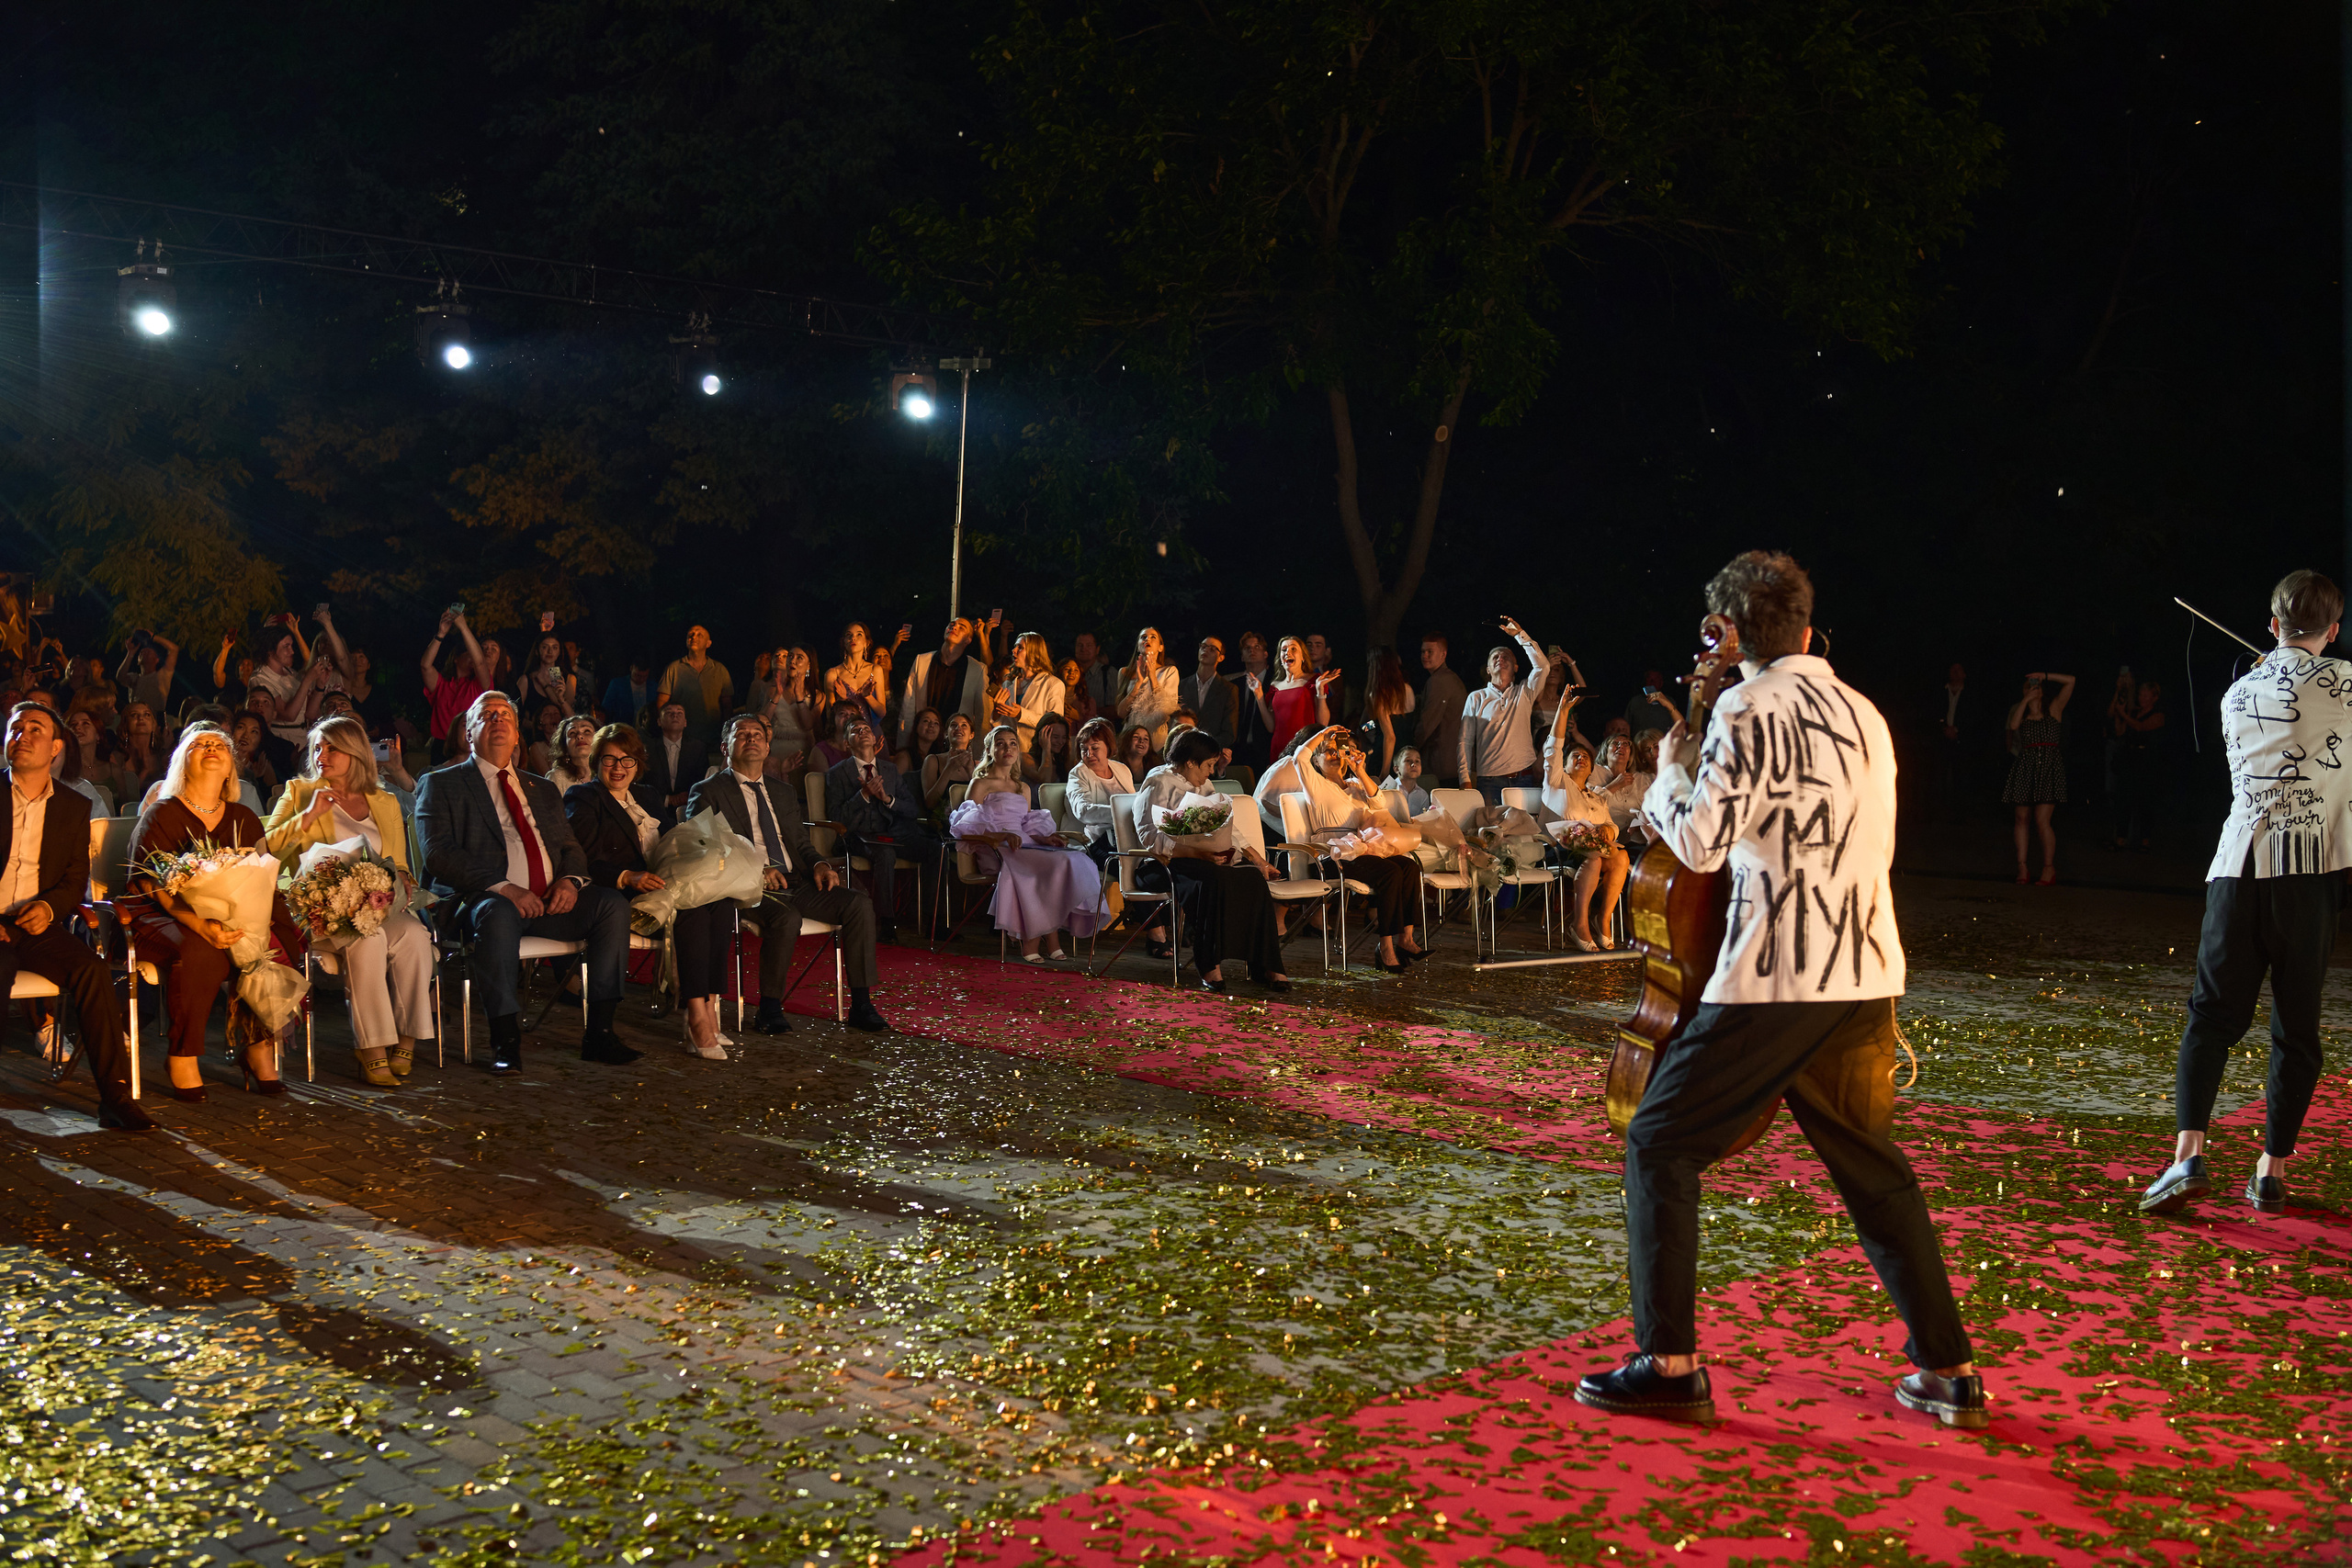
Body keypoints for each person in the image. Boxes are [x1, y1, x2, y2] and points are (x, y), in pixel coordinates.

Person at [1579, 549, 1980, 1431]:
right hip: (1866, 968)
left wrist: (1674, 773)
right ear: (1804, 622)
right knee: (1873, 1172)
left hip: (1775, 973)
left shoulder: (1744, 705)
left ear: (1729, 631)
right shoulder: (1864, 711)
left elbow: (1701, 846)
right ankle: (1948, 1369)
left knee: (1657, 1140)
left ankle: (1669, 1362)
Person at [2142, 570, 2352, 1219]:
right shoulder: (2347, 684)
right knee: (2297, 1028)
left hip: (2236, 871)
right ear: (2334, 628)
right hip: (2307, 878)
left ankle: (2187, 1155)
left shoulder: (2237, 692)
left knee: (2210, 1018)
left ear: (2271, 624)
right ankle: (2270, 1171)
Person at [415, 692, 640, 1075]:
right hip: (483, 902)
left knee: (610, 905)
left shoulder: (543, 789)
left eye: (506, 715)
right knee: (498, 914)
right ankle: (506, 1040)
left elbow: (571, 848)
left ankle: (600, 1032)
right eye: (487, 715)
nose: (498, 719)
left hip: (549, 903)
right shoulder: (442, 783)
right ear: (468, 733)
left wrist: (570, 882)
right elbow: (438, 853)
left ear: (518, 735)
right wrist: (505, 887)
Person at [128, 723, 308, 1100]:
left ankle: (257, 1049)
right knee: (203, 951)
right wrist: (199, 923)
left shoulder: (243, 817)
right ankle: (182, 1054)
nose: (211, 748)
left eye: (219, 746)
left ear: (230, 766)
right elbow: (151, 883)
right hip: (161, 917)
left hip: (233, 916)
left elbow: (259, 876)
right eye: (200, 745)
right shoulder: (161, 813)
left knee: (264, 941)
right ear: (182, 762)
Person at [0, 702, 151, 1129]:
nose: (23, 736)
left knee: (93, 971)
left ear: (56, 749)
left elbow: (73, 879)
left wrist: (47, 907)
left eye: (35, 730)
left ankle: (115, 1098)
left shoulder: (71, 805)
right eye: (16, 728)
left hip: (36, 922)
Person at [689, 715, 890, 1033]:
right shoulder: (707, 791)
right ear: (726, 747)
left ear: (768, 747)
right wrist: (757, 868)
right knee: (786, 917)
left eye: (758, 735)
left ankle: (862, 1004)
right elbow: (704, 844)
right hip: (747, 884)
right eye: (742, 735)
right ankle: (769, 1007)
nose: (752, 739)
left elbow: (799, 842)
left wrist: (820, 864)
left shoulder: (781, 791)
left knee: (858, 904)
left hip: (796, 880)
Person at [264, 716, 436, 1088]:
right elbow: (264, 848)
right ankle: (372, 1048)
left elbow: (400, 861)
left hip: (377, 902)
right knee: (367, 939)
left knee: (415, 938)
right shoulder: (298, 792)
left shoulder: (384, 800)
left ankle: (407, 1038)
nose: (321, 754)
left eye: (331, 747)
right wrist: (308, 818)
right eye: (317, 748)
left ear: (354, 752)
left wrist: (402, 876)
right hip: (326, 907)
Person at [564, 723, 738, 1060]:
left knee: (719, 901)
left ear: (638, 763)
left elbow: (674, 841)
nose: (618, 768)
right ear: (597, 762)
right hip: (620, 892)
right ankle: (696, 1017)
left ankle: (709, 1004)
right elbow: (582, 859)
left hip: (663, 883)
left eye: (626, 760)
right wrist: (627, 876)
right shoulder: (584, 797)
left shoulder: (646, 796)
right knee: (689, 910)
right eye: (609, 760)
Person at [1132, 728, 1290, 992]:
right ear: (1191, 762)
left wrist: (1259, 861)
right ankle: (1209, 964)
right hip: (1166, 864)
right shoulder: (1158, 782)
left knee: (1252, 878)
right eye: (1208, 765)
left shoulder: (1203, 784)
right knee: (1213, 880)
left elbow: (1228, 827)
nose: (1211, 772)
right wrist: (1197, 852)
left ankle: (1267, 964)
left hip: (1203, 859)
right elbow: (1149, 836)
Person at [1265, 725, 1427, 971]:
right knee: (1390, 872)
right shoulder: (1316, 785)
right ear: (1317, 761)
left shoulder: (1355, 785)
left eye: (1335, 750)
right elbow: (1299, 757)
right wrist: (1324, 733)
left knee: (1409, 867)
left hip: (1361, 852)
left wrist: (1360, 771)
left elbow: (1379, 802)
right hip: (1332, 857)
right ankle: (1385, 947)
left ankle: (1405, 938)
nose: (1333, 754)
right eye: (1326, 751)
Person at [950, 724, 1105, 962]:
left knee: (1072, 858)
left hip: (1024, 844)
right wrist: (999, 836)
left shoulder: (1021, 787)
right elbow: (966, 828)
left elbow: (1024, 825)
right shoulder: (980, 784)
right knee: (1040, 869)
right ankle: (1037, 938)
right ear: (990, 750)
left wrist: (1043, 837)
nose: (1007, 748)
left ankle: (1049, 934)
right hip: (997, 848)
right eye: (1000, 743)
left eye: (1013, 743)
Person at [825, 717, 943, 942]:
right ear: (846, 743)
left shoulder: (889, 769)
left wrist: (888, 799)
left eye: (866, 729)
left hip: (894, 833)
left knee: (935, 850)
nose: (862, 732)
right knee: (885, 854)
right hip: (858, 836)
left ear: (874, 737)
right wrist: (864, 795)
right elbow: (837, 818)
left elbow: (911, 808)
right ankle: (886, 924)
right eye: (855, 730)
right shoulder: (837, 773)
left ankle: (934, 922)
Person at [1544, 738, 1625, 953]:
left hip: (1591, 848)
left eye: (1586, 757)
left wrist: (1610, 830)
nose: (1582, 759)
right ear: (1565, 767)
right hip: (1559, 849)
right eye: (1576, 756)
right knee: (1594, 858)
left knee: (1622, 858)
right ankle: (1579, 924)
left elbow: (1610, 824)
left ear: (1591, 770)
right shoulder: (1558, 785)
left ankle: (1603, 918)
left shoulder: (1595, 796)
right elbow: (1552, 750)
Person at [1459, 616, 1548, 804]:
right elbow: (1465, 741)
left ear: (1516, 667)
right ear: (1489, 669)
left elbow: (1543, 666)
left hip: (1523, 776)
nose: (1501, 658)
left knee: (1525, 830)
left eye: (1506, 656)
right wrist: (1464, 778)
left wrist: (1519, 635)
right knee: (1490, 831)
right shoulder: (1476, 697)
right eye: (1495, 657)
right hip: (1489, 780)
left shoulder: (1525, 691)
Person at [2001, 669, 2076, 885]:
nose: (2034, 689)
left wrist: (2045, 676)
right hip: (2026, 767)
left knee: (2042, 820)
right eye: (2029, 686)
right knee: (2021, 818)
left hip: (2048, 768)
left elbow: (2071, 680)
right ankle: (2022, 867)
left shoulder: (2054, 710)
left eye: (2036, 686)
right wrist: (2026, 699)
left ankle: (2048, 868)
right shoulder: (2021, 712)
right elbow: (2014, 726)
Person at [895, 618, 989, 752]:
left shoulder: (977, 669)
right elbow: (908, 707)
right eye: (952, 624)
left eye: (961, 627)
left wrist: (978, 755)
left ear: (968, 640)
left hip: (957, 746)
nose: (954, 627)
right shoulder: (922, 661)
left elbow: (982, 718)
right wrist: (903, 748)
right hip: (923, 745)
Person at [420, 609, 495, 757]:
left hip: (470, 746)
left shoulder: (478, 686)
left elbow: (480, 663)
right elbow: (425, 666)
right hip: (442, 747)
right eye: (469, 655)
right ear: (456, 658)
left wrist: (463, 627)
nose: (473, 659)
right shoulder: (442, 685)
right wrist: (441, 634)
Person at [1246, 637, 1334, 761]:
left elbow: (1323, 723)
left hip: (1306, 748)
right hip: (1279, 750)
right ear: (1280, 658)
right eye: (1284, 649)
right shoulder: (1274, 686)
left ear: (1303, 657)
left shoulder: (1313, 681)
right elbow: (1271, 727)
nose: (1288, 652)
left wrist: (1320, 690)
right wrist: (1259, 695)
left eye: (1293, 649)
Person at [1065, 716, 1134, 870]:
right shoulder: (1077, 773)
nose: (1089, 754)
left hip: (1128, 838)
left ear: (1108, 747)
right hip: (1098, 843)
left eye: (1094, 748)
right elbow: (1083, 811)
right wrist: (1122, 814)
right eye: (1084, 749)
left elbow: (1133, 802)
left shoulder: (1122, 769)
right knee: (1136, 868)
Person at [2109, 678, 2166, 850]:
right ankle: (2121, 838)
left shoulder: (2158, 715)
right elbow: (2119, 729)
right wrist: (2119, 698)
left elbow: (2141, 727)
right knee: (2123, 799)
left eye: (2146, 694)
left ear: (2154, 697)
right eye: (2141, 694)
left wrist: (2124, 715)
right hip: (2129, 759)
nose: (2142, 697)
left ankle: (2145, 840)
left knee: (2145, 802)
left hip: (2147, 762)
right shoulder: (2133, 712)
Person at [656, 626, 733, 748]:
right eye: (690, 634)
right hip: (681, 738)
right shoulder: (674, 668)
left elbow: (727, 706)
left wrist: (725, 734)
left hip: (712, 738)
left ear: (708, 644)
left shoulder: (719, 670)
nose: (694, 637)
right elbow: (662, 703)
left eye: (699, 635)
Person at [748, 646, 818, 770]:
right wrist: (777, 696)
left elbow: (808, 725)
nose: (792, 661)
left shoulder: (816, 695)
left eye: (799, 658)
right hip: (777, 749)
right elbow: (762, 721)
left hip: (803, 751)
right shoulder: (772, 690)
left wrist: (800, 698)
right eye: (790, 656)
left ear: (808, 666)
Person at [1114, 627, 1182, 750]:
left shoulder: (1169, 671)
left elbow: (1167, 710)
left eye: (1153, 637)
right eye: (1143, 637)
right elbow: (1121, 713)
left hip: (1155, 740)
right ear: (1138, 645)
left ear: (1160, 647)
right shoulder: (1124, 672)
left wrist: (1152, 677)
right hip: (1129, 738)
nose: (1147, 639)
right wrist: (1138, 683)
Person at [641, 699, 707, 824]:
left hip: (690, 811)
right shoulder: (647, 749)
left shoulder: (698, 748)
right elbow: (642, 784)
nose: (675, 715)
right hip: (654, 813)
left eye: (679, 713)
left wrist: (689, 797)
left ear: (685, 722)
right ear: (659, 722)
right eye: (669, 713)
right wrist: (668, 799)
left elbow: (703, 780)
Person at [1361, 646, 1415, 779]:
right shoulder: (1407, 689)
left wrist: (1384, 772)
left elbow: (1390, 736)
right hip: (1405, 755)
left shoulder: (1379, 694)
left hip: (1385, 755)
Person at [1231, 631, 1277, 774]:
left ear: (1265, 654)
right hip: (1237, 750)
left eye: (1257, 647)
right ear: (1242, 656)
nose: (1251, 650)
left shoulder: (1275, 682)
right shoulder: (1234, 685)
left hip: (1265, 750)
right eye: (1247, 648)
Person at [1185, 637, 1240, 753]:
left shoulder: (1228, 689)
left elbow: (1229, 733)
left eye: (1213, 649)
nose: (1206, 650)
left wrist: (1205, 748)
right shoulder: (1182, 685)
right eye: (1203, 646)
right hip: (1183, 750)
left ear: (1221, 657)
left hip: (1210, 754)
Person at [922, 712, 978, 822]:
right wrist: (948, 769)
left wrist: (970, 771)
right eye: (953, 725)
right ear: (946, 734)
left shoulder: (978, 765)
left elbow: (983, 804)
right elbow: (930, 804)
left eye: (964, 725)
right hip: (941, 824)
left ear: (971, 735)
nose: (958, 728)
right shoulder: (933, 760)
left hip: (971, 823)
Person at [1932, 662, 1969, 822]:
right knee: (1939, 775)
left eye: (1958, 670)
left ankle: (1959, 814)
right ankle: (1938, 812)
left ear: (1964, 674)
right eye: (1952, 669)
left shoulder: (1969, 694)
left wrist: (1958, 730)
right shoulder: (1941, 692)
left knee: (1960, 776)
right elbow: (1933, 714)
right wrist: (1944, 728)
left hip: (1961, 742)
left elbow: (1974, 717)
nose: (1954, 672)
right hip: (1942, 741)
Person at [117, 630, 179, 717]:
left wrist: (153, 637)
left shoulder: (162, 676)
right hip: (135, 717)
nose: (144, 653)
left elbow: (174, 649)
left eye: (148, 652)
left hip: (155, 719)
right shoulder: (135, 678)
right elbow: (120, 678)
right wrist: (130, 653)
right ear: (138, 661)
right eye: (141, 653)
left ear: (156, 660)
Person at [518, 632, 577, 716]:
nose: (550, 651)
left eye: (555, 647)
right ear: (537, 651)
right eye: (545, 647)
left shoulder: (569, 679)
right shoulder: (526, 680)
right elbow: (516, 712)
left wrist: (544, 684)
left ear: (560, 652)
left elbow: (568, 714)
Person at [546, 714, 599, 795]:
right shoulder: (557, 777)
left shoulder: (606, 775)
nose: (580, 736)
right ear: (565, 747)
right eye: (572, 733)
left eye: (587, 731)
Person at [1069, 631, 1117, 721]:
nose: (1083, 649)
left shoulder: (1108, 673)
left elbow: (1115, 710)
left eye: (1089, 645)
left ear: (1097, 649)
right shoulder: (1067, 673)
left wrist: (1085, 712)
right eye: (1080, 645)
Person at [602, 656, 655, 729]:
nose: (641, 679)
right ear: (631, 668)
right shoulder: (617, 684)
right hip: (622, 727)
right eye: (637, 675)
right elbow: (606, 708)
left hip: (645, 729)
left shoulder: (653, 687)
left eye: (644, 676)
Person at [1026, 712, 1076, 791]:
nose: (1060, 742)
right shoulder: (1025, 758)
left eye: (1063, 737)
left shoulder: (1065, 762)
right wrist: (1046, 749)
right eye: (1055, 737)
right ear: (1042, 735)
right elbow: (1045, 781)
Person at [1624, 670, 1679, 736]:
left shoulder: (1669, 701)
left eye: (1655, 679)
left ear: (1661, 683)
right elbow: (1626, 725)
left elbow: (1678, 725)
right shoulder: (1635, 701)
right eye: (1649, 679)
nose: (1652, 682)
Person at [1380, 746, 1430, 817]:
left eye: (1417, 761)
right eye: (1408, 760)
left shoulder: (1423, 795)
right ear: (1396, 769)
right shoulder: (1388, 788)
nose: (1414, 764)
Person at [896, 706, 944, 779]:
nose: (931, 725)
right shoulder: (905, 756)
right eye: (926, 721)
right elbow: (893, 784)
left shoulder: (940, 756)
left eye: (936, 723)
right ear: (916, 726)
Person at [1058, 657, 1098, 730]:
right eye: (1067, 669)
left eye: (1076, 670)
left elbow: (1094, 729)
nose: (1071, 673)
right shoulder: (1051, 698)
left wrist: (1078, 717)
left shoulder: (1088, 702)